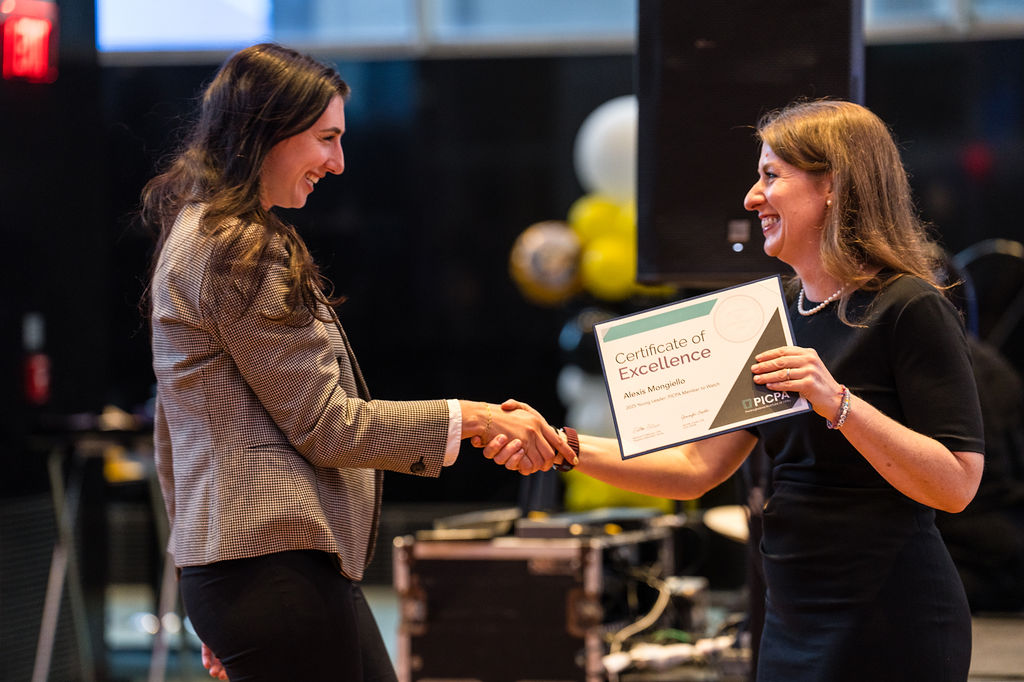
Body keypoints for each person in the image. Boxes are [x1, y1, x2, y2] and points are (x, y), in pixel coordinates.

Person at [486, 99, 985, 681]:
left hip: (890, 615)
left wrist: (838, 403)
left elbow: (956, 484)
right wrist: (565, 445)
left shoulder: (910, 306)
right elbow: (698, 465)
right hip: (791, 613)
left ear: (833, 186)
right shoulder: (767, 315)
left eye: (771, 176)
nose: (751, 197)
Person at [142, 43, 572, 682]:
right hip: (269, 568)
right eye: (326, 138)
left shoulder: (207, 230)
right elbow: (328, 427)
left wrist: (211, 578)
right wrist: (475, 419)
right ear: (267, 129)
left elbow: (177, 436)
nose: (338, 163)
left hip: (249, 570)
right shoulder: (233, 245)